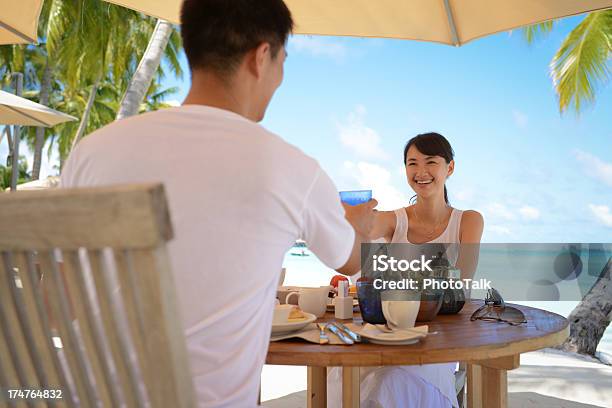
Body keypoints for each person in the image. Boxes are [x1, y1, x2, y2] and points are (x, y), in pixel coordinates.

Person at [60, 1, 376, 406]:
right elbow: (352, 261)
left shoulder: (93, 152)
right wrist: (357, 225)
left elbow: (66, 291)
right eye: (283, 60)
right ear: (262, 57)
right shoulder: (290, 167)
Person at [328, 132, 484, 408]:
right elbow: (363, 230)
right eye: (412, 163)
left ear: (449, 168)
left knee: (390, 382)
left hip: (439, 342)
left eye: (430, 162)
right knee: (342, 370)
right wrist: (350, 220)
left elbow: (460, 284)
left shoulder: (468, 221)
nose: (420, 171)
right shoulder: (393, 220)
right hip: (388, 334)